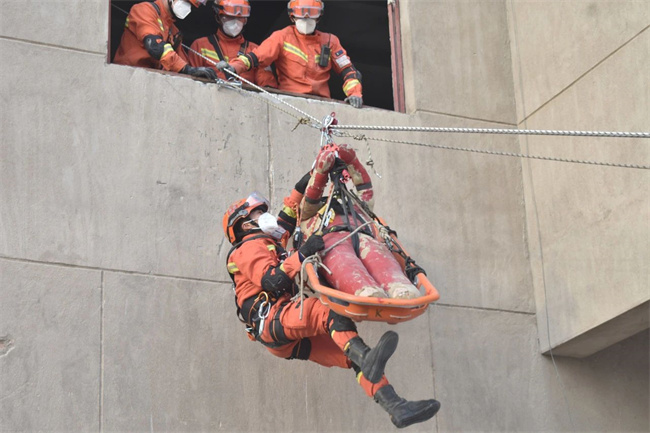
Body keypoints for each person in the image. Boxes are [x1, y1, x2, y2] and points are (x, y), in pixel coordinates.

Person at [223, 181, 440, 428]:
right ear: (245, 224)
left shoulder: (269, 242)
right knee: (330, 314)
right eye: (259, 213)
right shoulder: (248, 248)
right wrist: (302, 254)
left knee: (353, 356)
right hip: (273, 318)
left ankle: (396, 407)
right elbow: (273, 280)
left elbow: (288, 214)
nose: (266, 216)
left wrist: (308, 180)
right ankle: (368, 360)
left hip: (281, 336)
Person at [299, 143, 422, 299]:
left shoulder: (357, 209)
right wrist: (321, 172)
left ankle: (399, 287)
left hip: (364, 237)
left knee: (380, 258)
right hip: (333, 242)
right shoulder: (313, 216)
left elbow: (365, 189)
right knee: (343, 260)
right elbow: (309, 200)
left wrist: (352, 161)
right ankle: (365, 289)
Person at [219, 0, 364, 108]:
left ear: (319, 17)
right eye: (302, 15)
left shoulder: (330, 41)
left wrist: (355, 94)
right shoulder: (282, 37)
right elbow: (257, 57)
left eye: (311, 15)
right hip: (291, 102)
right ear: (292, 17)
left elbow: (349, 71)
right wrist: (234, 67)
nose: (306, 19)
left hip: (322, 104)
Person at [114, 0, 218, 80]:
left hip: (149, 80)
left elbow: (181, 62)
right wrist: (185, 69)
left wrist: (197, 72)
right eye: (185, 1)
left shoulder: (173, 31)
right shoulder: (143, 10)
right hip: (126, 76)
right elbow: (155, 46)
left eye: (190, 5)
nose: (187, 8)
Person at [187, 0, 277, 87]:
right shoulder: (200, 46)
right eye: (229, 17)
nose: (235, 22)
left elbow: (268, 86)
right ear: (218, 18)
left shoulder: (256, 51)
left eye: (240, 18)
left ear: (245, 20)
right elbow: (189, 83)